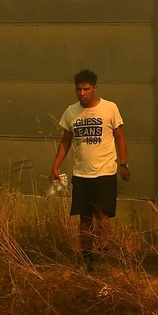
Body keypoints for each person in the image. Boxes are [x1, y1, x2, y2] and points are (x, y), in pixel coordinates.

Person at [50, 69, 130, 269]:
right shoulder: (71, 112)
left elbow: (119, 136)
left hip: (104, 172)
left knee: (102, 215)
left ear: (95, 88)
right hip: (81, 173)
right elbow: (65, 142)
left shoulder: (109, 108)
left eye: (86, 89)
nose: (82, 93)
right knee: (84, 218)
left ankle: (104, 254)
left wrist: (123, 163)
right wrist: (55, 166)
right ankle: (86, 256)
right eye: (78, 89)